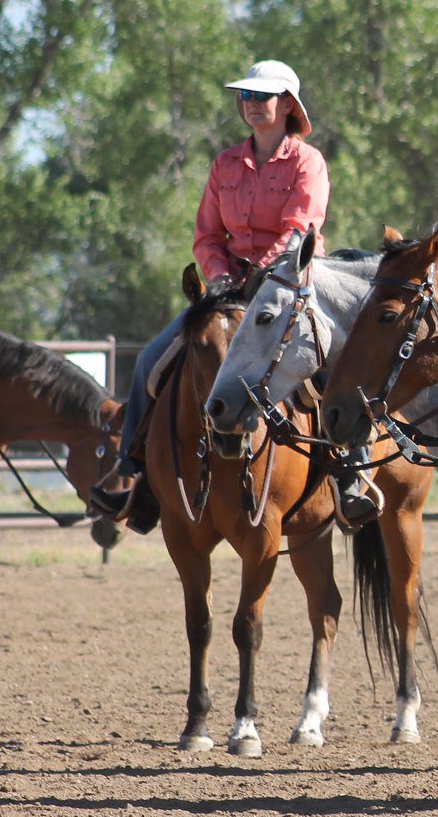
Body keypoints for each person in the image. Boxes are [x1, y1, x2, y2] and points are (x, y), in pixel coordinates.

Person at [93, 59, 330, 521]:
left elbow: (300, 227)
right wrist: (220, 276)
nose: (252, 104)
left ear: (287, 105)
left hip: (289, 283)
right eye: (246, 96)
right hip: (229, 289)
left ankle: (349, 470)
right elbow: (206, 235)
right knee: (151, 361)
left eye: (262, 96)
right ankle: (135, 469)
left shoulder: (308, 162)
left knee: (327, 360)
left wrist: (258, 274)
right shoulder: (225, 163)